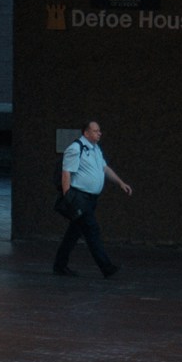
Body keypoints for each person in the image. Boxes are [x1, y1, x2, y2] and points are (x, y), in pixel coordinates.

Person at [53, 119, 131, 279]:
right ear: (86, 133)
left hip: (91, 199)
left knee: (74, 233)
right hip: (80, 198)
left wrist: (120, 182)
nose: (99, 133)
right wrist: (69, 198)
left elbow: (104, 168)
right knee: (92, 231)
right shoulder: (75, 149)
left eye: (99, 130)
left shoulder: (95, 149)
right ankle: (106, 267)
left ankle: (59, 265)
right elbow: (66, 173)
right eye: (95, 131)